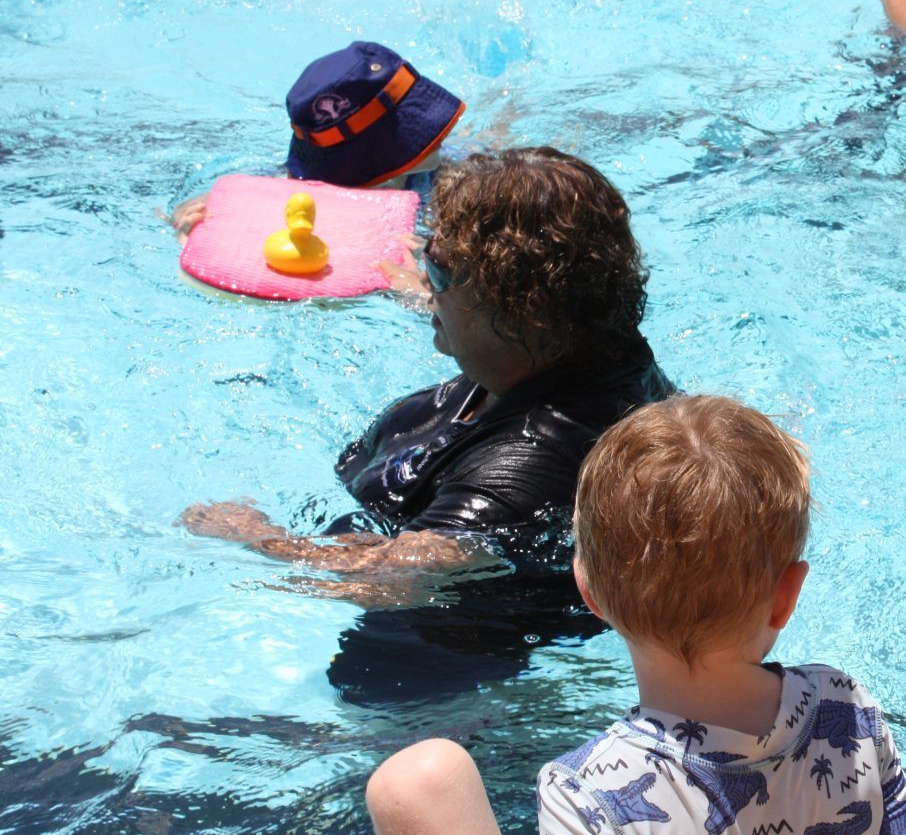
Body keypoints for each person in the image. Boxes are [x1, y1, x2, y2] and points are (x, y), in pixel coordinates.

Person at [181, 147, 674, 701]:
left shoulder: (531, 460)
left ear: (513, 304)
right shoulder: (580, 348)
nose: (423, 273)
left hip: (470, 642)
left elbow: (389, 580)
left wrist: (252, 537)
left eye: (438, 268)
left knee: (369, 684)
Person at [363, 396, 906, 835]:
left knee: (416, 783)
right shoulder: (844, 708)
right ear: (786, 596)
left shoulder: (587, 793)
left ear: (588, 592)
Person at [170, 40, 464, 237]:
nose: (440, 129)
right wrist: (185, 216)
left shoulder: (449, 186)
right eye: (419, 124)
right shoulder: (287, 196)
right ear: (372, 154)